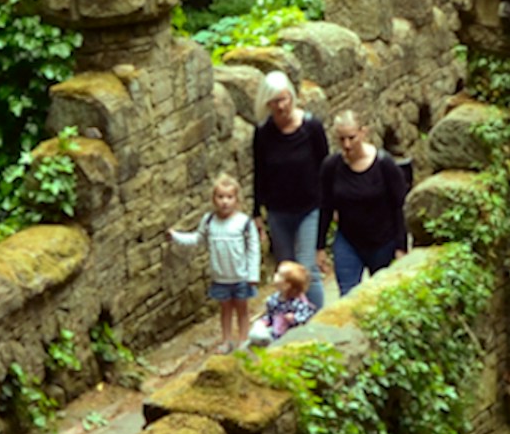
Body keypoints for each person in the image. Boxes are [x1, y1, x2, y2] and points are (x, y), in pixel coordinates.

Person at [252, 72, 332, 302]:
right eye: (275, 101)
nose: (281, 106)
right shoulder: (263, 133)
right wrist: (257, 211)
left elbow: (325, 168)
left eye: (284, 99)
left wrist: (329, 204)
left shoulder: (311, 127)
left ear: (292, 97)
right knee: (286, 271)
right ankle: (290, 320)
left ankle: (316, 320)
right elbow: (260, 172)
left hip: (309, 207)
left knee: (307, 268)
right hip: (278, 210)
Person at [318, 110, 410, 297]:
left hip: (383, 241)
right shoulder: (331, 167)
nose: (347, 145)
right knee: (348, 296)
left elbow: (399, 206)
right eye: (341, 139)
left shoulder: (384, 165)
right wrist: (319, 247)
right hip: (348, 241)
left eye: (352, 138)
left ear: (363, 132)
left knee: (383, 296)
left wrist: (401, 248)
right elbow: (325, 207)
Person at [171, 173, 260, 353]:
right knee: (225, 310)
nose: (224, 202)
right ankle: (226, 340)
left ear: (237, 199)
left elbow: (253, 249)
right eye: (220, 197)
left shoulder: (244, 222)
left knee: (242, 309)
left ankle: (243, 340)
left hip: (241, 276)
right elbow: (197, 238)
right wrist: (175, 236)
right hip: (220, 277)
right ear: (213, 199)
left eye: (229, 197)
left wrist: (253, 274)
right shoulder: (209, 221)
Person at [250, 261, 319, 349]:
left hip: (292, 334)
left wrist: (294, 318)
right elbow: (270, 314)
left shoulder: (298, 302)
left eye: (279, 275)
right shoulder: (274, 299)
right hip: (276, 330)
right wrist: (264, 321)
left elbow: (306, 315)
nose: (275, 275)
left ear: (287, 285)